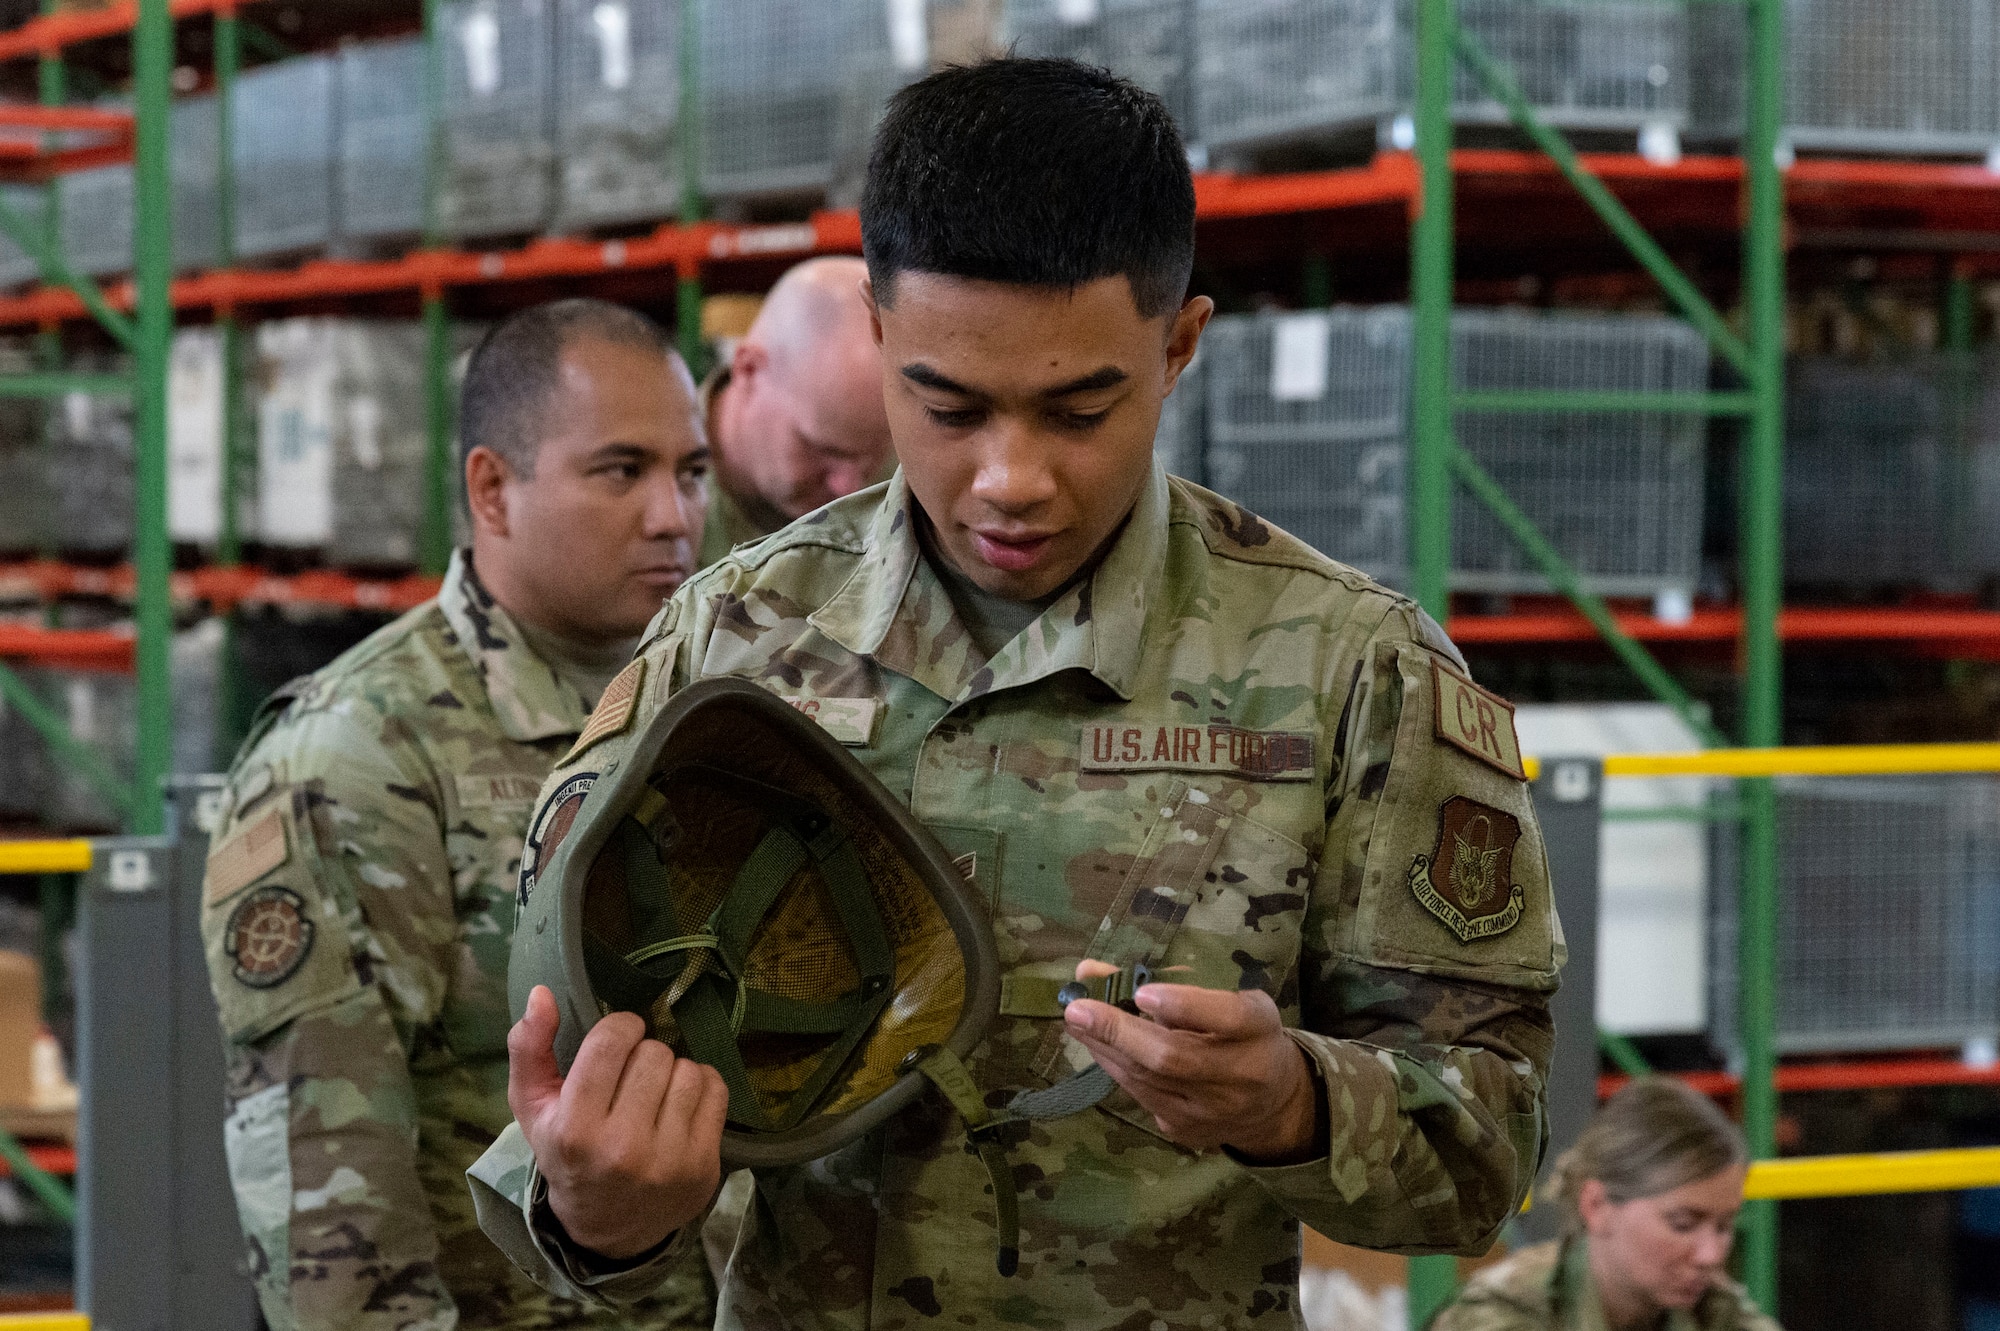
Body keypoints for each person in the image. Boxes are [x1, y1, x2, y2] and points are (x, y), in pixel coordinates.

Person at [470, 58, 1561, 1327]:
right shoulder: (734, 637)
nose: (1009, 478)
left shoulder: (1353, 670)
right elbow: (576, 1088)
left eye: (1077, 408)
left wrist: (1293, 1105)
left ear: (1178, 346)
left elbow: (1486, 1151)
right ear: (878, 337)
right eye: (947, 405)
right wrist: (595, 1211)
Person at [198, 299, 718, 1330]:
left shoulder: (706, 709)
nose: (672, 515)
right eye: (620, 471)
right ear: (493, 488)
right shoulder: (354, 760)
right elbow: (332, 1237)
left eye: (691, 471)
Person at [1433, 1077, 1781, 1331]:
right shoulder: (1503, 1315)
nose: (1711, 1255)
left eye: (1723, 1226)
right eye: (1682, 1223)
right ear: (1597, 1206)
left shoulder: (1714, 1312)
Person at [698, 255, 894, 568]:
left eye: (875, 452)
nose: (850, 486)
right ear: (748, 370)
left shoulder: (911, 472)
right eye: (823, 449)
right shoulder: (656, 498)